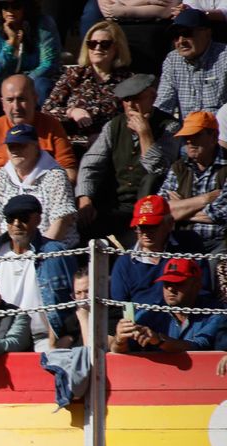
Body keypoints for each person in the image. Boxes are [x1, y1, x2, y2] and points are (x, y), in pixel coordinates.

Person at [75, 73, 176, 243]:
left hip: (150, 209)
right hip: (113, 206)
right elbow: (90, 164)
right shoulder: (114, 125)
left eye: (136, 98)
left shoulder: (169, 127)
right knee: (80, 229)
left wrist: (145, 134)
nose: (131, 105)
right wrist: (85, 198)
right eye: (126, 100)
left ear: (152, 97)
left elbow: (158, 169)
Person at [0, 193, 77, 350]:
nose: (16, 224)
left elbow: (71, 300)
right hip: (1, 335)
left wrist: (57, 341)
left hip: (44, 338)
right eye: (10, 218)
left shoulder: (55, 253)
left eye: (23, 217)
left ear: (37, 219)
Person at [0, 75, 78, 194]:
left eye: (22, 99)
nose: (16, 107)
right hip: (2, 199)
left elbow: (68, 170)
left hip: (45, 198)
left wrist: (47, 197)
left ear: (35, 99)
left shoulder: (51, 125)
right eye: (10, 100)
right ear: (2, 104)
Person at [0, 123, 78, 243]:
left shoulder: (56, 175)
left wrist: (40, 253)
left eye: (21, 146)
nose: (15, 151)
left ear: (36, 146)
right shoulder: (0, 176)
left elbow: (62, 219)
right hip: (8, 253)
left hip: (51, 250)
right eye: (11, 147)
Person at [44, 21, 132, 151]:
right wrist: (71, 111)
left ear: (117, 48)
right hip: (68, 146)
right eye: (92, 44)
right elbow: (47, 110)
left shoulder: (127, 81)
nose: (97, 48)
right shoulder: (74, 75)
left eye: (105, 44)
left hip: (108, 147)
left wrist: (105, 137)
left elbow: (130, 118)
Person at [112, 257, 227, 351]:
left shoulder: (216, 312)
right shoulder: (151, 312)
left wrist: (159, 340)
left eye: (179, 283)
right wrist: (120, 340)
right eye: (167, 283)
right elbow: (119, 350)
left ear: (197, 286)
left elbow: (198, 346)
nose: (171, 288)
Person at [111, 195, 212, 303]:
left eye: (152, 226)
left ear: (169, 224)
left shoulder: (189, 244)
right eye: (141, 227)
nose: (146, 233)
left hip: (187, 315)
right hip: (142, 318)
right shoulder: (125, 262)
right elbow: (120, 305)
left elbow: (203, 290)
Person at [158, 110, 227, 251]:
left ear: (214, 137)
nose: (189, 141)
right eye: (186, 136)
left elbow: (221, 214)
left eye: (196, 135)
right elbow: (161, 209)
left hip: (219, 244)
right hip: (181, 241)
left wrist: (179, 209)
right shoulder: (179, 167)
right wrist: (205, 199)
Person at [154, 8, 227, 124]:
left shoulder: (224, 57)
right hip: (187, 136)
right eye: (175, 36)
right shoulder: (172, 60)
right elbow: (163, 105)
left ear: (207, 33)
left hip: (220, 134)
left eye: (187, 33)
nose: (181, 41)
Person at [0, 0, 61, 105]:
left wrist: (21, 83)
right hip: (5, 83)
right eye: (5, 6)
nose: (10, 11)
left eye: (15, 6)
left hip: (35, 80)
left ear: (27, 7)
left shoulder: (44, 24)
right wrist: (10, 44)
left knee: (42, 85)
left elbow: (49, 64)